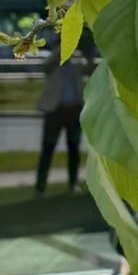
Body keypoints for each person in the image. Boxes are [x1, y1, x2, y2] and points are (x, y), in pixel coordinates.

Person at [35, 42, 86, 194]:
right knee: (48, 148)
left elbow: (81, 84)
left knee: (74, 148)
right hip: (55, 112)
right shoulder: (52, 66)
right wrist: (58, 53)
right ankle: (40, 185)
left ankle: (73, 183)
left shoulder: (75, 67)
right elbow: (45, 68)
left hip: (73, 111)